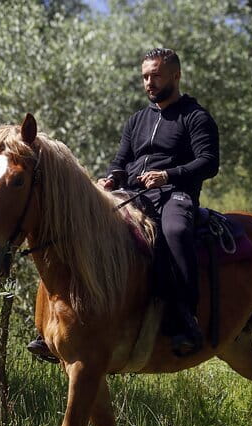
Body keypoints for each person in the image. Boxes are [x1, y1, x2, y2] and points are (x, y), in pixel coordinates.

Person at [28, 48, 219, 361]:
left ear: (176, 75)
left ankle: (186, 319)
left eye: (156, 75)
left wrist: (167, 174)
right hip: (133, 195)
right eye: (145, 76)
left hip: (176, 195)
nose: (149, 82)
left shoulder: (196, 117)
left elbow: (208, 163)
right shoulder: (137, 120)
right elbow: (121, 161)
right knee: (74, 229)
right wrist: (111, 179)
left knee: (174, 232)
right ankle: (49, 325)